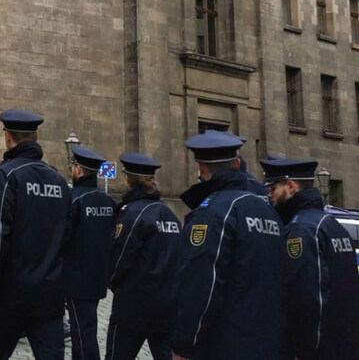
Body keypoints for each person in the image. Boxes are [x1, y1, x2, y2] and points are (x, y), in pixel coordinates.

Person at [172, 130, 282, 360]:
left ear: (201, 169)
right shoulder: (268, 209)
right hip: (268, 341)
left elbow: (203, 285)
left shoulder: (212, 212)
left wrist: (185, 343)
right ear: (237, 163)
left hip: (225, 344)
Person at [0, 109, 72, 360]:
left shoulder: (6, 175)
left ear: (8, 137)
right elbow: (68, 239)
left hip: (10, 294)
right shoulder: (59, 181)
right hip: (50, 294)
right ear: (36, 137)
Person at [261, 157, 359, 360]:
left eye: (272, 188)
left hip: (318, 348)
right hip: (343, 343)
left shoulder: (302, 230)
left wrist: (304, 350)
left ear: (290, 186)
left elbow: (308, 299)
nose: (270, 195)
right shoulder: (332, 224)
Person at [105, 153, 181, 360]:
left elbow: (119, 258)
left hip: (134, 307)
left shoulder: (132, 214)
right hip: (167, 306)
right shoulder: (169, 214)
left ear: (129, 180)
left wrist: (114, 284)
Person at [61, 145, 115, 360]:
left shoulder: (73, 199)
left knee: (81, 331)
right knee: (87, 326)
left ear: (77, 170)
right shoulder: (108, 200)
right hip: (99, 275)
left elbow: (64, 238)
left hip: (75, 276)